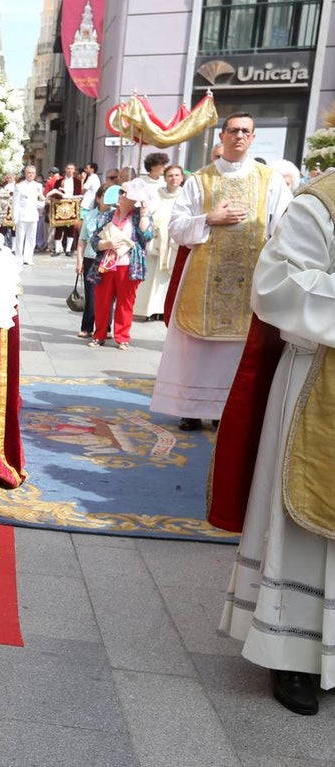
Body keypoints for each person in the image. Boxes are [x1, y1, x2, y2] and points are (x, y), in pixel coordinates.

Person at [216, 170, 335, 715]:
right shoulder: (321, 203)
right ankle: (295, 652)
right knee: (305, 531)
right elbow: (276, 286)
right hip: (319, 375)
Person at [150, 113, 291, 431]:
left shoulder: (271, 180)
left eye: (246, 131)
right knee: (198, 348)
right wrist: (208, 219)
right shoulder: (200, 179)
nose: (239, 135)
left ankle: (223, 408)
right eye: (233, 130)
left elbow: (286, 225)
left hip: (249, 276)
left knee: (235, 351)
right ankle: (189, 407)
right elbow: (177, 228)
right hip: (204, 278)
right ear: (222, 136)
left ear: (253, 138)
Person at [86, 178, 154, 350]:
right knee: (101, 301)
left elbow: (146, 237)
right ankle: (99, 334)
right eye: (120, 192)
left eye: (124, 193)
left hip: (129, 266)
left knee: (126, 302)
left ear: (133, 198)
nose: (120, 195)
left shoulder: (138, 215)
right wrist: (105, 245)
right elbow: (94, 240)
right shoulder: (108, 215)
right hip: (107, 264)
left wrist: (145, 215)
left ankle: (122, 337)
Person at [135, 164, 183, 321]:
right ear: (165, 178)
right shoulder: (157, 194)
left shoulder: (184, 195)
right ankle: (147, 310)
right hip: (156, 240)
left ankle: (163, 309)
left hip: (174, 242)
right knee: (152, 277)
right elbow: (149, 212)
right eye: (170, 175)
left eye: (177, 175)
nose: (173, 178)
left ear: (182, 177)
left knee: (168, 278)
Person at [75, 182, 119, 339]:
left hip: (109, 259)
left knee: (108, 295)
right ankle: (87, 326)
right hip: (91, 258)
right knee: (91, 294)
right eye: (105, 197)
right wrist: (79, 261)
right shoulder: (89, 215)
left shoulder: (116, 215)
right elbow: (82, 240)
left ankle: (105, 326)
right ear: (99, 198)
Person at [45, 163, 82, 256]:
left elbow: (78, 193)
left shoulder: (77, 182)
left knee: (71, 228)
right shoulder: (59, 181)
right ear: (65, 169)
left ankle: (68, 249)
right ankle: (57, 249)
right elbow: (55, 192)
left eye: (71, 169)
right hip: (60, 206)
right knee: (59, 227)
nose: (70, 170)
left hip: (72, 206)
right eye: (68, 168)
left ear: (74, 170)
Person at [11, 164, 45, 266]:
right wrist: (14, 217)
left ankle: (28, 257)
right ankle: (18, 257)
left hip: (33, 215)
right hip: (22, 215)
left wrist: (39, 203)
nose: (31, 175)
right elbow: (15, 203)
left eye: (33, 173)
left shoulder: (38, 186)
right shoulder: (19, 186)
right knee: (20, 237)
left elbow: (41, 202)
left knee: (31, 237)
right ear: (25, 174)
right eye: (29, 173)